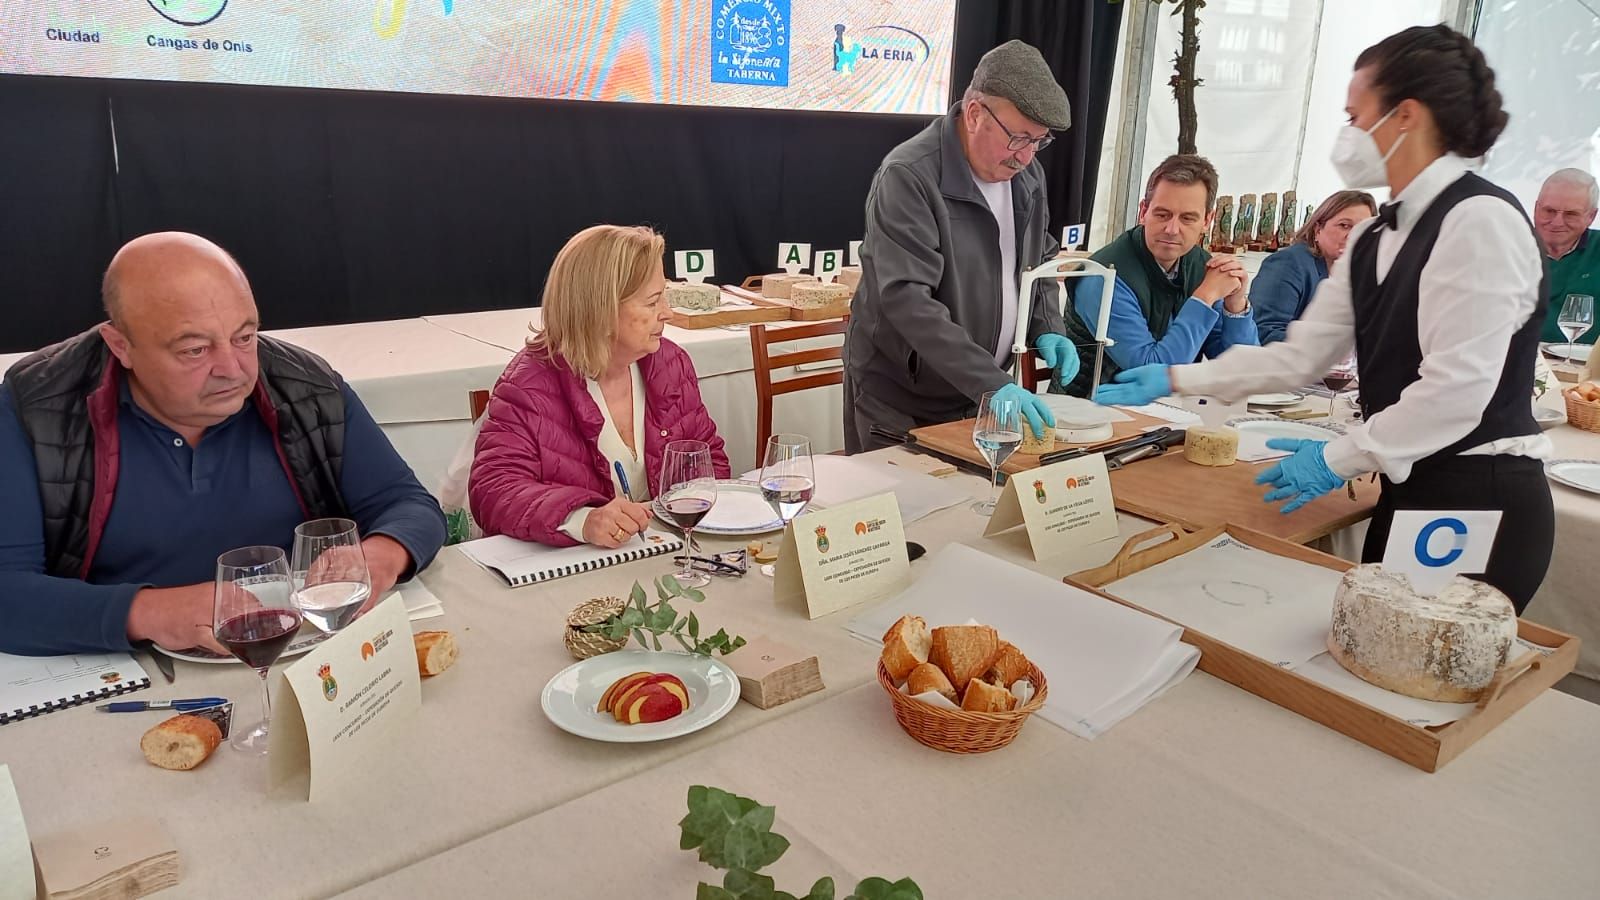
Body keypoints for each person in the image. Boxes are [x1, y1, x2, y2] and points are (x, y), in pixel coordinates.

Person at [1097, 25, 1553, 612]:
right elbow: (1299, 357)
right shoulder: (1371, 237)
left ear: (1406, 116)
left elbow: (1456, 392)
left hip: (1479, 493)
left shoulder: (1479, 220)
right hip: (1411, 485)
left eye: (1356, 115)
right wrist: (1179, 379)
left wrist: (1334, 459)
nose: (1348, 134)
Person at [0, 232, 447, 656]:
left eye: (244, 337)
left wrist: (379, 554)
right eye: (195, 350)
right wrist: (152, 613)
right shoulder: (39, 408)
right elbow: (8, 591)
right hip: (132, 669)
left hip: (300, 649)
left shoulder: (305, 388)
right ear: (122, 346)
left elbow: (408, 504)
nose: (233, 370)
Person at [842, 40, 1081, 452]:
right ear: (974, 114)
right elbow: (907, 300)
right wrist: (991, 383)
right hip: (900, 401)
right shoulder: (909, 175)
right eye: (1019, 138)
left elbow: (1037, 258)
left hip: (974, 394)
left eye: (1039, 141)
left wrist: (1048, 325)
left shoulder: (1027, 178)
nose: (1026, 156)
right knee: (905, 512)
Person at [469, 225, 729, 548]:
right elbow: (493, 491)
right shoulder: (529, 384)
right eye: (652, 302)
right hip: (576, 576)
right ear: (602, 311)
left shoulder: (671, 364)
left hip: (665, 558)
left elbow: (710, 461)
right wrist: (583, 520)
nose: (668, 312)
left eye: (665, 296)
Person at [1058, 155, 1257, 396]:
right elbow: (1151, 373)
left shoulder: (1203, 266)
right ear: (1143, 211)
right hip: (1091, 414)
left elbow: (1242, 373)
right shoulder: (1104, 276)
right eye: (1162, 215)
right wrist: (1204, 298)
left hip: (1168, 413)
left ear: (1207, 221)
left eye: (1187, 218)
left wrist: (1236, 307)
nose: (1172, 229)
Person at [1252, 191, 1377, 344]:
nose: (1353, 235)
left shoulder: (1363, 272)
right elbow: (1264, 331)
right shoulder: (1288, 263)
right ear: (1318, 230)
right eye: (1344, 226)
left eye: (1362, 228)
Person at [1532, 167, 1599, 344]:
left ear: (1591, 216)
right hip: (1517, 362)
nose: (1557, 222)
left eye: (1571, 214)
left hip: (1586, 367)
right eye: (1549, 211)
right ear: (1536, 208)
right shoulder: (1510, 247)